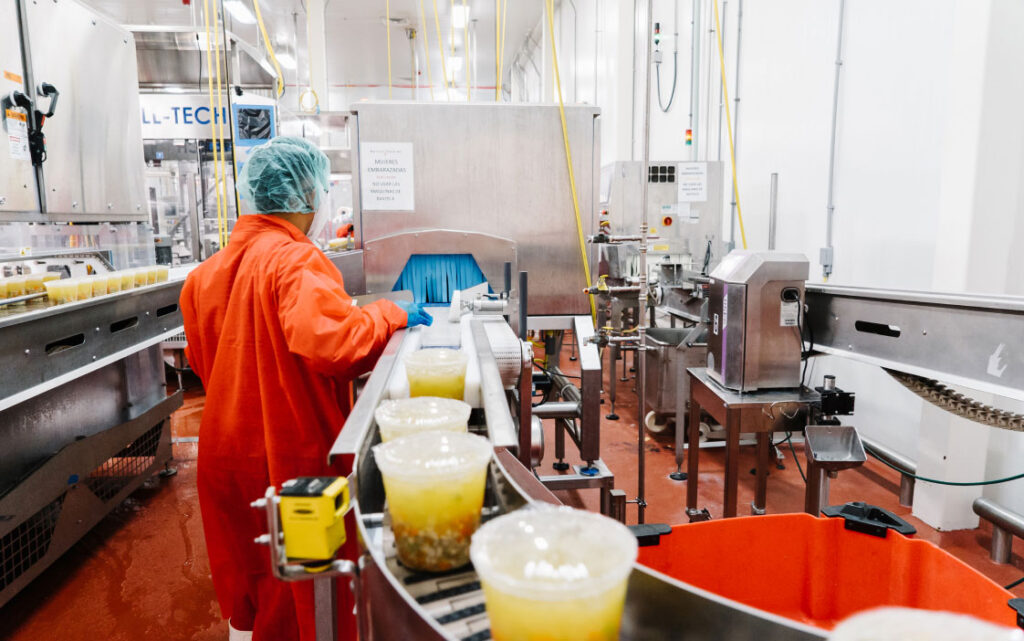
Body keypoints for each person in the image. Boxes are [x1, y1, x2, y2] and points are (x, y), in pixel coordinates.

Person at [180, 136, 431, 641]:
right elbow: (338, 347)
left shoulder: (202, 276)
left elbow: (206, 362)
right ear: (308, 197)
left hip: (224, 455)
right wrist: (391, 313)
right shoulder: (295, 261)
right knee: (305, 588)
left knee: (252, 575)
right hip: (289, 451)